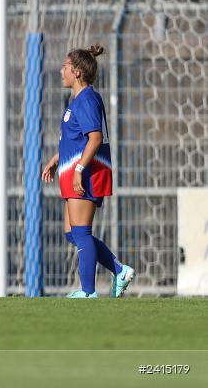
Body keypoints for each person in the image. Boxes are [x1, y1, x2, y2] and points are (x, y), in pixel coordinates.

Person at [41, 45, 135, 298]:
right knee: (72, 233)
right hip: (74, 170)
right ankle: (119, 269)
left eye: (65, 66)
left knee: (81, 233)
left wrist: (80, 169)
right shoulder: (81, 100)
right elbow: (79, 140)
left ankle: (88, 292)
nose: (61, 71)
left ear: (78, 72)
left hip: (86, 173)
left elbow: (94, 139)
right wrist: (56, 158)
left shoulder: (87, 100)